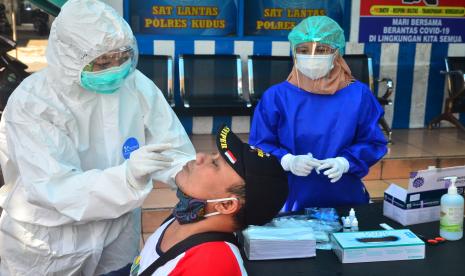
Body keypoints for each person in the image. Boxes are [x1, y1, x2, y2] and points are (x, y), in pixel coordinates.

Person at [0, 0, 195, 275]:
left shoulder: (134, 84)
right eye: (102, 61)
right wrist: (127, 177)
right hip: (51, 244)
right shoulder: (35, 102)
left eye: (121, 57)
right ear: (69, 56)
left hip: (117, 235)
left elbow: (171, 145)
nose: (115, 67)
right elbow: (53, 187)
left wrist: (189, 178)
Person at [249, 16, 387, 211]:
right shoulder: (276, 96)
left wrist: (345, 162)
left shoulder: (358, 95)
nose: (312, 57)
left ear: (336, 53)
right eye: (303, 50)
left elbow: (373, 142)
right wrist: (288, 161)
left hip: (345, 194)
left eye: (321, 50)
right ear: (294, 53)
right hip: (289, 197)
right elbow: (259, 145)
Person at [129, 125, 288, 275]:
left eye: (215, 164)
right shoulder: (182, 217)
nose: (199, 157)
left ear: (226, 205)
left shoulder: (212, 264)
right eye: (213, 155)